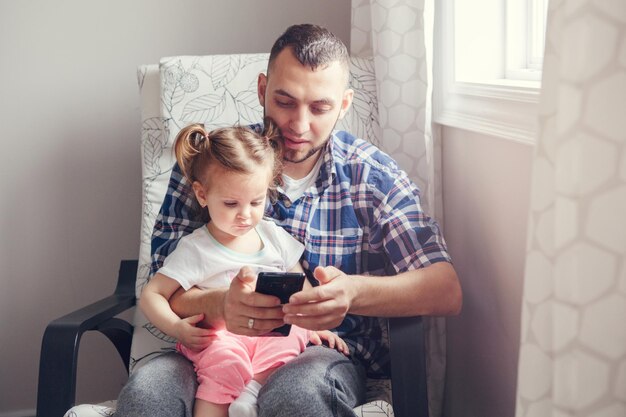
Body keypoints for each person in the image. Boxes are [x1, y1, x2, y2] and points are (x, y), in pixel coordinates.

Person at [115, 23, 462, 417]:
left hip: (310, 352)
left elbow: (445, 289)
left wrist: (350, 293)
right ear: (262, 90)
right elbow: (163, 287)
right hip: (205, 346)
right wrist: (221, 305)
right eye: (285, 102)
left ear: (345, 104)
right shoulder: (215, 163)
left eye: (320, 107)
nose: (299, 125)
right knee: (147, 396)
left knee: (298, 395)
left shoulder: (373, 176)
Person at [138, 121, 349, 417]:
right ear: (202, 194)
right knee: (224, 366)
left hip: (271, 334)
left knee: (292, 340)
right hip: (220, 337)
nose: (245, 215)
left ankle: (251, 392)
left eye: (256, 201)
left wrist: (317, 324)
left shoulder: (272, 236)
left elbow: (299, 284)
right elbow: (152, 295)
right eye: (230, 203)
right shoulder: (196, 248)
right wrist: (176, 328)